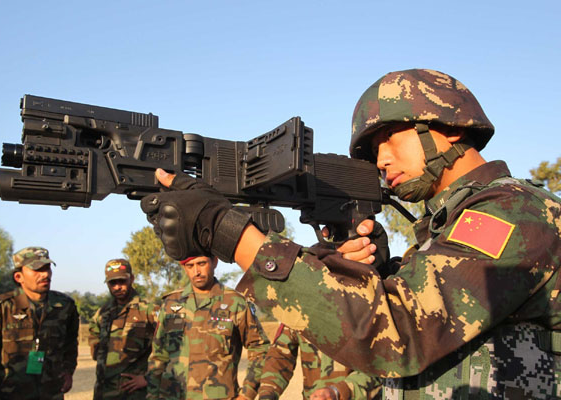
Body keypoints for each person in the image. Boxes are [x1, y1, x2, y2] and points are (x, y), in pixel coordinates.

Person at [140, 69, 561, 399]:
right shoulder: (446, 228)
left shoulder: (515, 212)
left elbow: (401, 333)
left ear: (450, 127)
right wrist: (379, 272)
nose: (380, 159)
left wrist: (231, 233)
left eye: (389, 137)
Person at [147, 255, 270, 400]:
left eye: (201, 263)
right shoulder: (171, 303)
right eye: (190, 266)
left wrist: (247, 394)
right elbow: (158, 356)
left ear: (214, 262)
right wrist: (152, 395)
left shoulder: (235, 302)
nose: (196, 271)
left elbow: (260, 348)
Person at [0, 246, 79, 399]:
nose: (45, 274)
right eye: (37, 270)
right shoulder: (0, 309)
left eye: (47, 268)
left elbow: (70, 343)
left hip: (49, 393)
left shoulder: (64, 306)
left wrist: (68, 370)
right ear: (19, 277)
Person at [88, 258, 158, 399]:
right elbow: (93, 336)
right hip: (104, 391)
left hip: (135, 393)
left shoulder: (149, 311)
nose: (117, 287)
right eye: (112, 283)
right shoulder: (102, 313)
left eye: (122, 281)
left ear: (131, 279)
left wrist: (148, 378)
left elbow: (167, 347)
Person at [258, 323, 381, 400]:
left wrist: (339, 391)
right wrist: (267, 393)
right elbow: (279, 355)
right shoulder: (298, 304)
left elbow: (383, 365)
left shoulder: (364, 301)